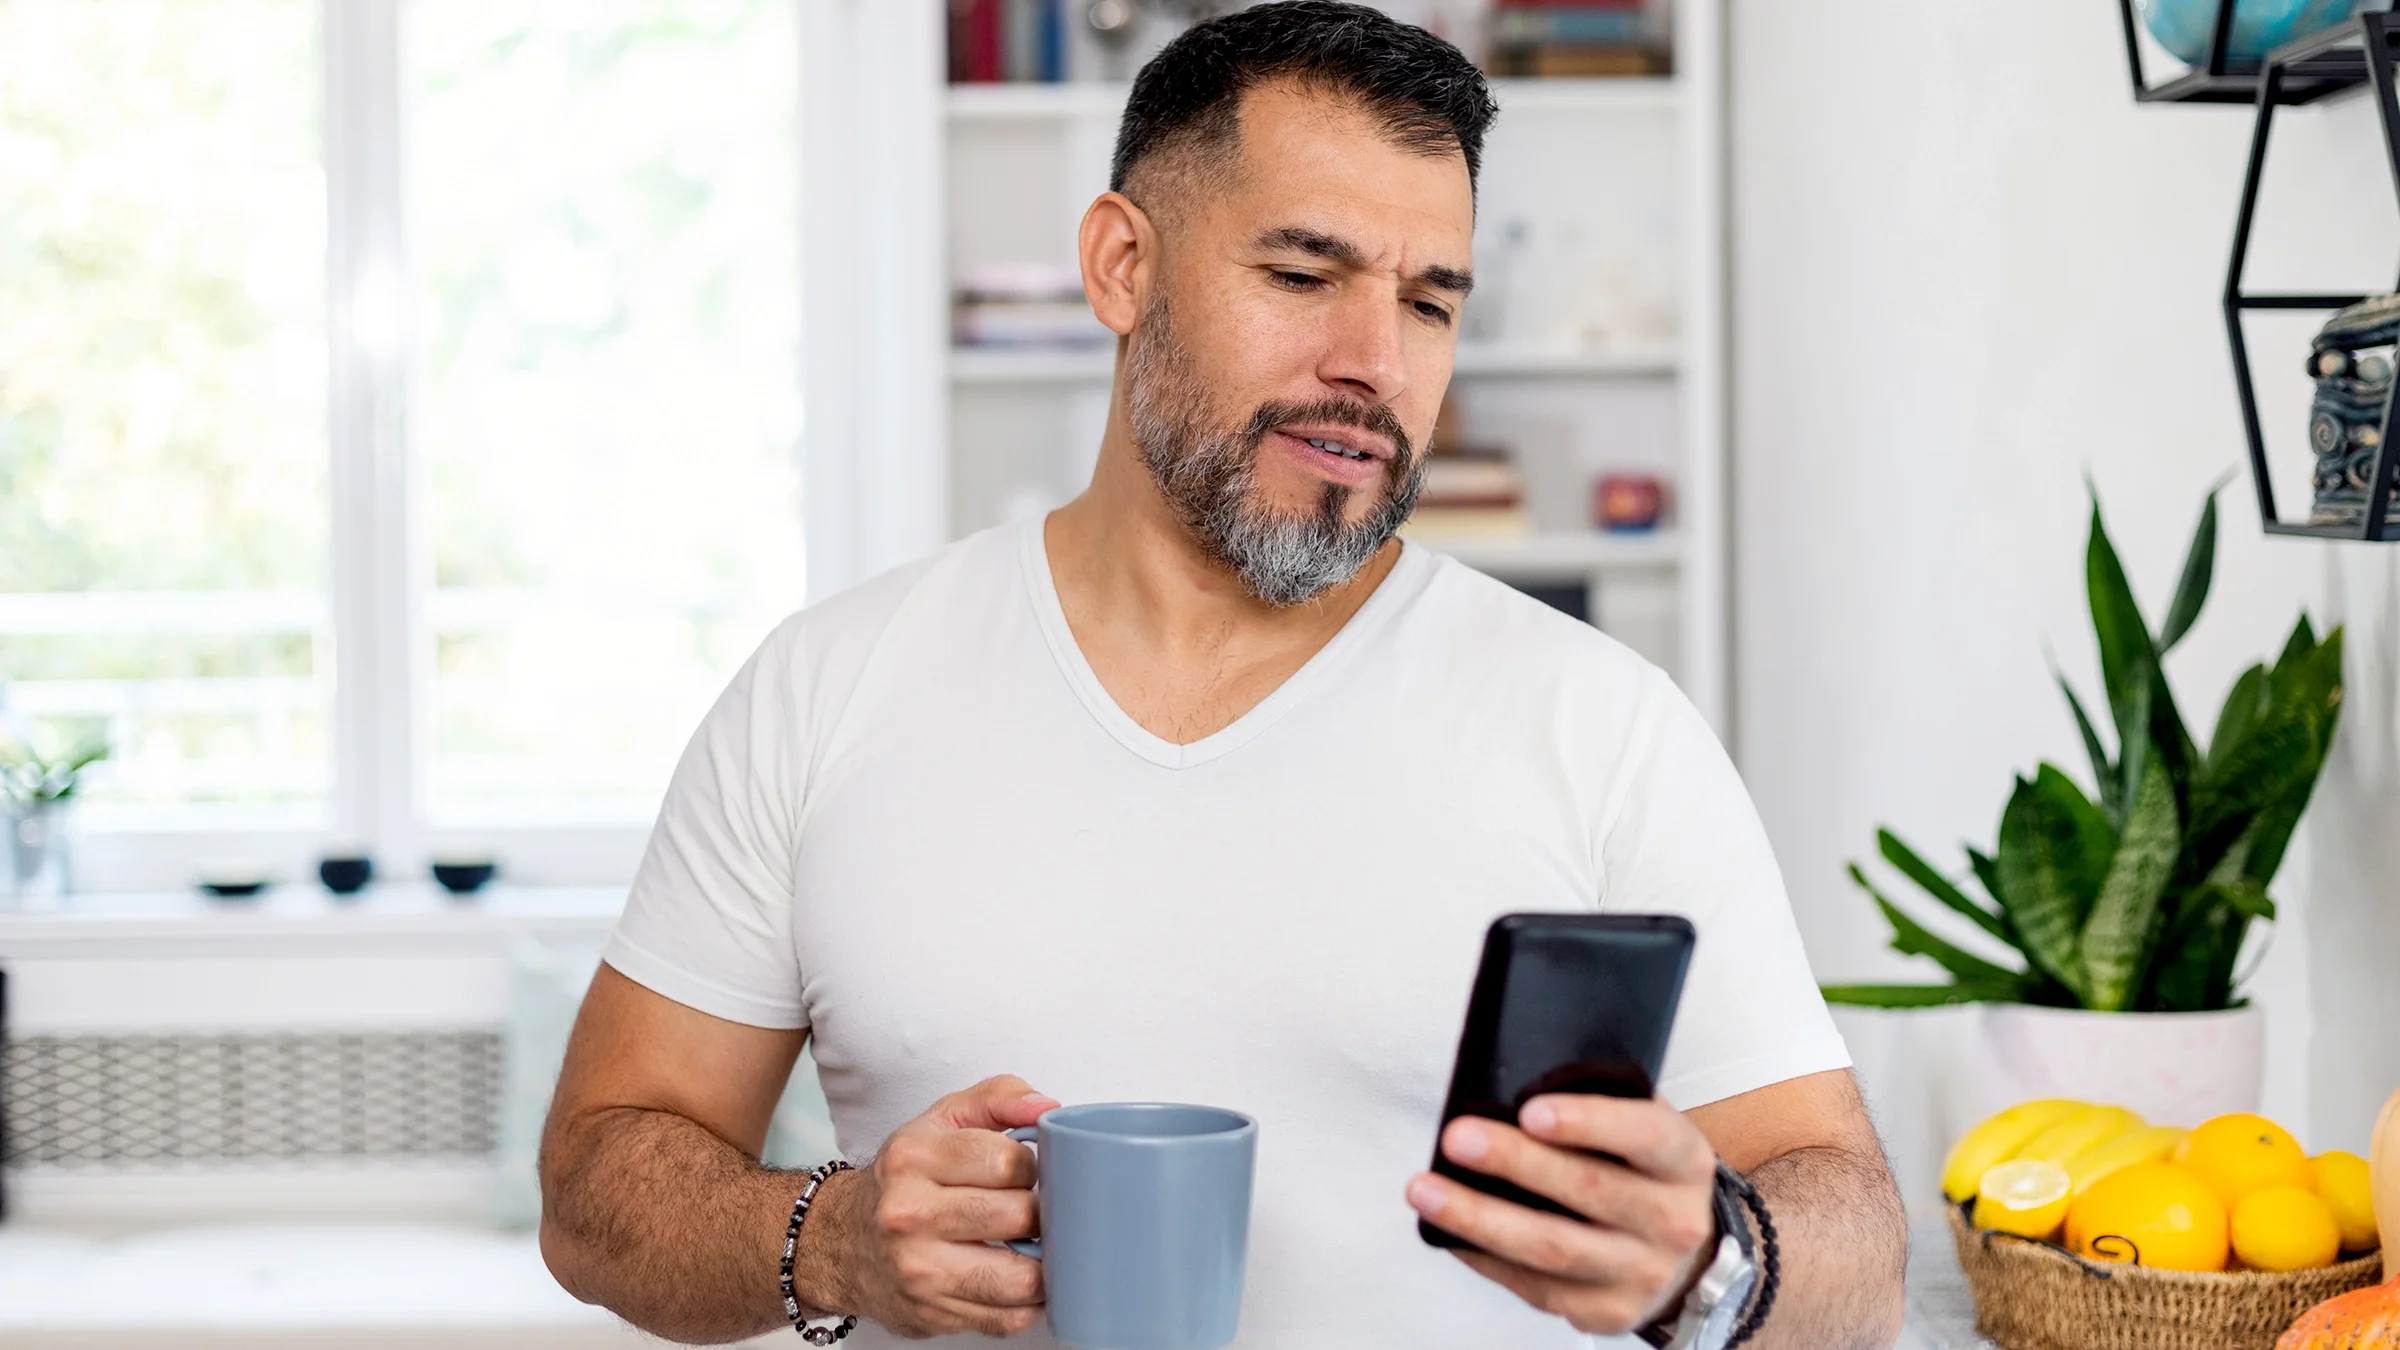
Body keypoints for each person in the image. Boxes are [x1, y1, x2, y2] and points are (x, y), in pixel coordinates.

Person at [537, 4, 1906, 1347]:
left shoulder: (1605, 727)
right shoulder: (824, 690)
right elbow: (597, 1190)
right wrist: (835, 1238)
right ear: (1123, 265)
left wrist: (1714, 1260)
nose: (1373, 364)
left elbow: (1856, 1237)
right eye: (1304, 277)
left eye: (1428, 301)